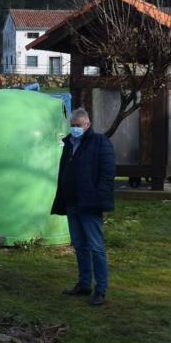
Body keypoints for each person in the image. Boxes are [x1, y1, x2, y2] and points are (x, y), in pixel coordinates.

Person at [51, 107, 116, 306]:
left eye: (78, 125)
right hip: (72, 202)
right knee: (80, 246)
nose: (75, 129)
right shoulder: (69, 144)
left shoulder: (99, 142)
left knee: (95, 247)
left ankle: (101, 289)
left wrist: (97, 198)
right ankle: (84, 283)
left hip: (89, 204)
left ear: (87, 124)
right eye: (72, 126)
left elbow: (107, 174)